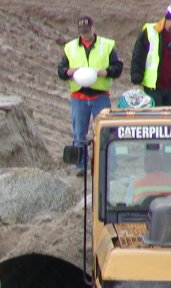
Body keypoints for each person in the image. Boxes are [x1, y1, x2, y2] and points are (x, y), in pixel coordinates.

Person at [58, 16, 123, 177]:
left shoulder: (106, 46)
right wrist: (68, 72)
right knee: (79, 133)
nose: (85, 35)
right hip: (79, 96)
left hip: (100, 95)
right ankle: (81, 165)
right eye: (82, 32)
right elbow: (61, 70)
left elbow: (118, 67)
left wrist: (105, 72)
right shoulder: (70, 47)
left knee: (105, 131)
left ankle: (107, 165)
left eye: (87, 31)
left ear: (93, 28)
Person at [131, 1, 171, 106]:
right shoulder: (150, 31)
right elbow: (138, 57)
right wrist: (137, 82)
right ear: (167, 17)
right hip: (152, 90)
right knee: (154, 121)